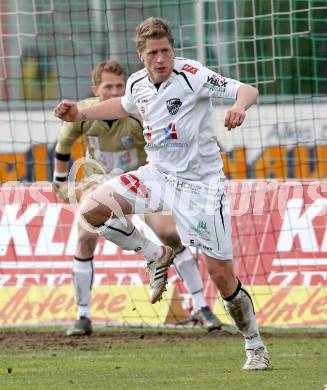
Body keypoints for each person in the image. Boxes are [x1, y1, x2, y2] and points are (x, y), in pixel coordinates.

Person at [54, 17, 269, 370]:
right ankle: (155, 254)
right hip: (157, 175)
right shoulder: (138, 83)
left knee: (222, 278)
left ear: (172, 49)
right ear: (142, 55)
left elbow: (247, 89)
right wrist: (81, 113)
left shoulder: (192, 74)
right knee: (91, 210)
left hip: (201, 187)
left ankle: (254, 343)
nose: (160, 58)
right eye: (152, 52)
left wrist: (239, 107)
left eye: (165, 50)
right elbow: (122, 106)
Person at [53, 59, 221, 336]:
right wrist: (60, 181)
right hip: (102, 182)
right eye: (109, 86)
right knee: (84, 237)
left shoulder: (138, 113)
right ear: (96, 88)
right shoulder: (83, 112)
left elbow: (167, 144)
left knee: (170, 234)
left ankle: (201, 306)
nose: (116, 91)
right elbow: (62, 149)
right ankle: (82, 315)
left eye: (120, 86)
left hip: (142, 181)